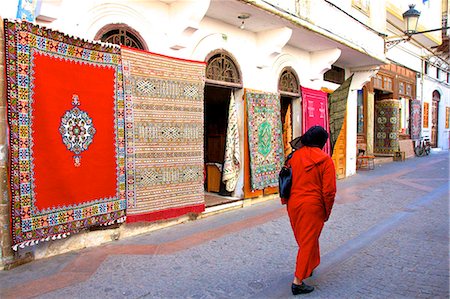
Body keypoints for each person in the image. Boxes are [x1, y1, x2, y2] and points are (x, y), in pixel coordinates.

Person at [285, 125, 336, 295]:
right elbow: (329, 191)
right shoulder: (326, 160)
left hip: (294, 204)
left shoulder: (294, 156)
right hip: (312, 206)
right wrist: (327, 211)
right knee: (308, 241)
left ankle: (310, 265)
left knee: (305, 238)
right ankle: (298, 281)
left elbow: (286, 180)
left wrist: (285, 200)